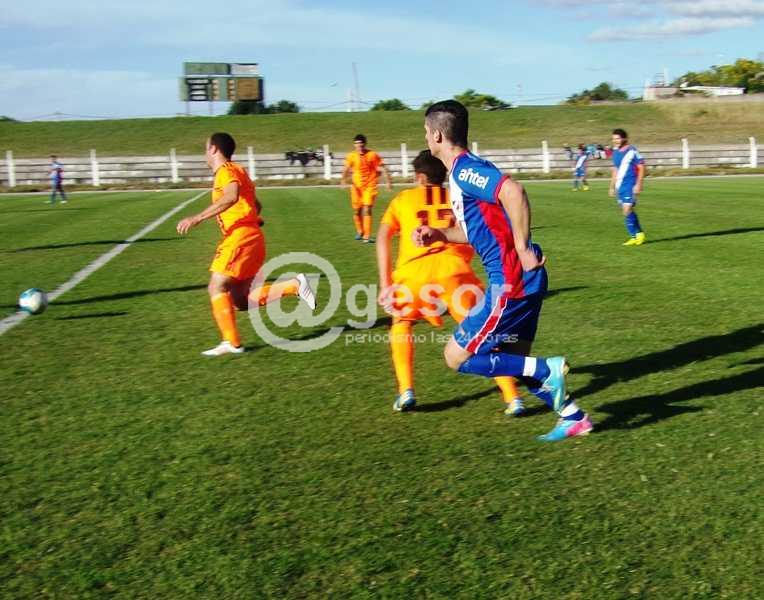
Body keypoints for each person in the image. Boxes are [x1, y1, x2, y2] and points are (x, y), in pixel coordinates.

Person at [414, 100, 592, 442]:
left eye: (425, 131)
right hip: (524, 278)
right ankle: (574, 417)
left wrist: (522, 247)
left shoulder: (465, 170)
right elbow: (476, 230)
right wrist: (439, 234)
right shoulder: (464, 173)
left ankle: (548, 368)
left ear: (437, 135)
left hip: (511, 280)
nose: (425, 137)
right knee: (514, 361)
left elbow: (514, 191)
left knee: (456, 356)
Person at [376, 150, 525, 415]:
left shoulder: (403, 199)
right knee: (481, 335)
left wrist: (386, 283)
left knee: (401, 323)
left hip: (412, 274)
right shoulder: (458, 197)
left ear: (420, 178)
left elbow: (383, 236)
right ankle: (513, 398)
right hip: (455, 273)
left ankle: (406, 390)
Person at [176, 132, 316, 356]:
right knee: (240, 301)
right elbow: (255, 204)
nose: (205, 153)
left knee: (216, 286)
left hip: (240, 237)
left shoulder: (226, 171)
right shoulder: (237, 170)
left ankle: (232, 343)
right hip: (251, 237)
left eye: (206, 148)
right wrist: (251, 218)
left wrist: (197, 217)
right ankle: (294, 286)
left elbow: (231, 196)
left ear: (214, 149)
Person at [341, 134, 392, 243]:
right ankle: (360, 231)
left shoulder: (372, 155)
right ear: (354, 145)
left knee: (367, 208)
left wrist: (388, 182)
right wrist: (343, 180)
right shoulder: (351, 156)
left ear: (365, 144)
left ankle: (367, 236)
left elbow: (382, 168)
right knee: (357, 210)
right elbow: (346, 168)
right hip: (356, 187)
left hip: (370, 186)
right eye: (357, 144)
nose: (359, 146)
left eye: (361, 144)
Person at [609, 129, 646, 246]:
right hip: (620, 186)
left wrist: (639, 184)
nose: (615, 141)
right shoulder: (615, 152)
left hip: (630, 184)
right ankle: (635, 236)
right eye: (613, 139)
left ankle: (638, 235)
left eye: (618, 138)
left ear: (624, 138)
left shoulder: (632, 151)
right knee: (626, 211)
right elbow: (615, 169)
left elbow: (641, 167)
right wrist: (612, 186)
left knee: (627, 210)